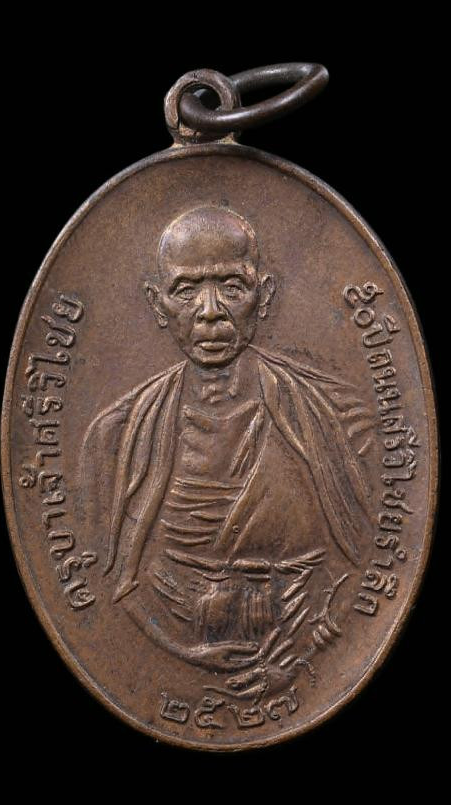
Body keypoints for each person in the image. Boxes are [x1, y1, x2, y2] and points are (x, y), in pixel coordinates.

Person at [79, 205, 374, 687]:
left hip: (294, 646)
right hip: (173, 646)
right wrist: (185, 652)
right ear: (157, 304)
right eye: (186, 289)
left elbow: (366, 564)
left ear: (264, 296)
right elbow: (105, 583)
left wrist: (299, 658)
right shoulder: (114, 439)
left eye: (232, 286)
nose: (210, 310)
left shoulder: (336, 421)